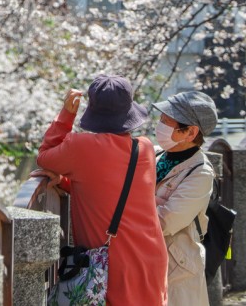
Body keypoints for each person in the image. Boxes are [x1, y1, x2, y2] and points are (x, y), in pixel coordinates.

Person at [35, 75, 168, 306]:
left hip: (111, 263)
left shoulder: (81, 146)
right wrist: (67, 181)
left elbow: (45, 157)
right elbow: (114, 187)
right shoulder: (144, 148)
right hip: (151, 255)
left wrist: (66, 115)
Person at [152, 91, 219, 306]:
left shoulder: (201, 172)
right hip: (146, 260)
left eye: (166, 121)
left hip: (178, 268)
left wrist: (132, 205)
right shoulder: (154, 154)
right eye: (161, 119)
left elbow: (165, 221)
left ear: (190, 132)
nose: (159, 125)